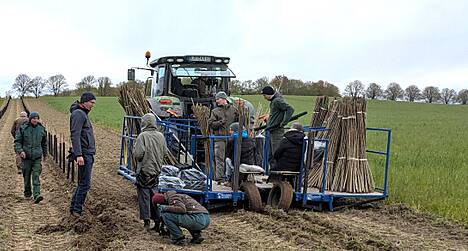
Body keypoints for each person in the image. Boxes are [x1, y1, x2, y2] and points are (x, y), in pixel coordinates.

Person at [133, 113, 169, 230]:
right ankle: (157, 221)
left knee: (144, 198)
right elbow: (165, 153)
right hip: (156, 172)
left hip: (144, 171)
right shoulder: (161, 136)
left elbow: (138, 155)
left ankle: (147, 222)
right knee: (155, 197)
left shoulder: (142, 136)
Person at [69, 92, 96, 217]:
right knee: (85, 184)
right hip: (84, 153)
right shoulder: (79, 114)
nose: (93, 105)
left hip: (86, 152)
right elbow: (75, 135)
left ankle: (74, 208)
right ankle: (77, 211)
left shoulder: (81, 113)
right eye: (92, 102)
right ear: (84, 102)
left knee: (83, 183)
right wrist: (79, 154)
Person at [14, 111, 47, 203]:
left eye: (37, 118)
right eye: (34, 118)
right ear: (30, 119)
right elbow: (17, 141)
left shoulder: (41, 129)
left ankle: (37, 195)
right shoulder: (23, 128)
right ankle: (27, 193)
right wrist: (20, 151)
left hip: (37, 157)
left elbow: (44, 143)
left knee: (36, 176)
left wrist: (45, 154)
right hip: (26, 157)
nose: (35, 120)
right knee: (26, 176)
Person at [208, 91, 239, 181]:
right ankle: (220, 178)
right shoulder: (215, 111)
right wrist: (220, 122)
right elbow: (211, 124)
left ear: (224, 99)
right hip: (219, 138)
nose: (217, 101)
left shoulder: (234, 110)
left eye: (218, 99)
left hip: (232, 139)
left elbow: (239, 123)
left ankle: (231, 178)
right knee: (219, 159)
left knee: (231, 158)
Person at [261, 86, 294, 167]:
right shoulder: (274, 101)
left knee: (276, 154)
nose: (264, 98)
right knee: (270, 155)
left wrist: (284, 122)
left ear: (269, 94)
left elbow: (290, 109)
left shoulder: (277, 101)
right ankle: (272, 172)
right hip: (272, 130)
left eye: (264, 95)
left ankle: (277, 174)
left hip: (277, 131)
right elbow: (276, 114)